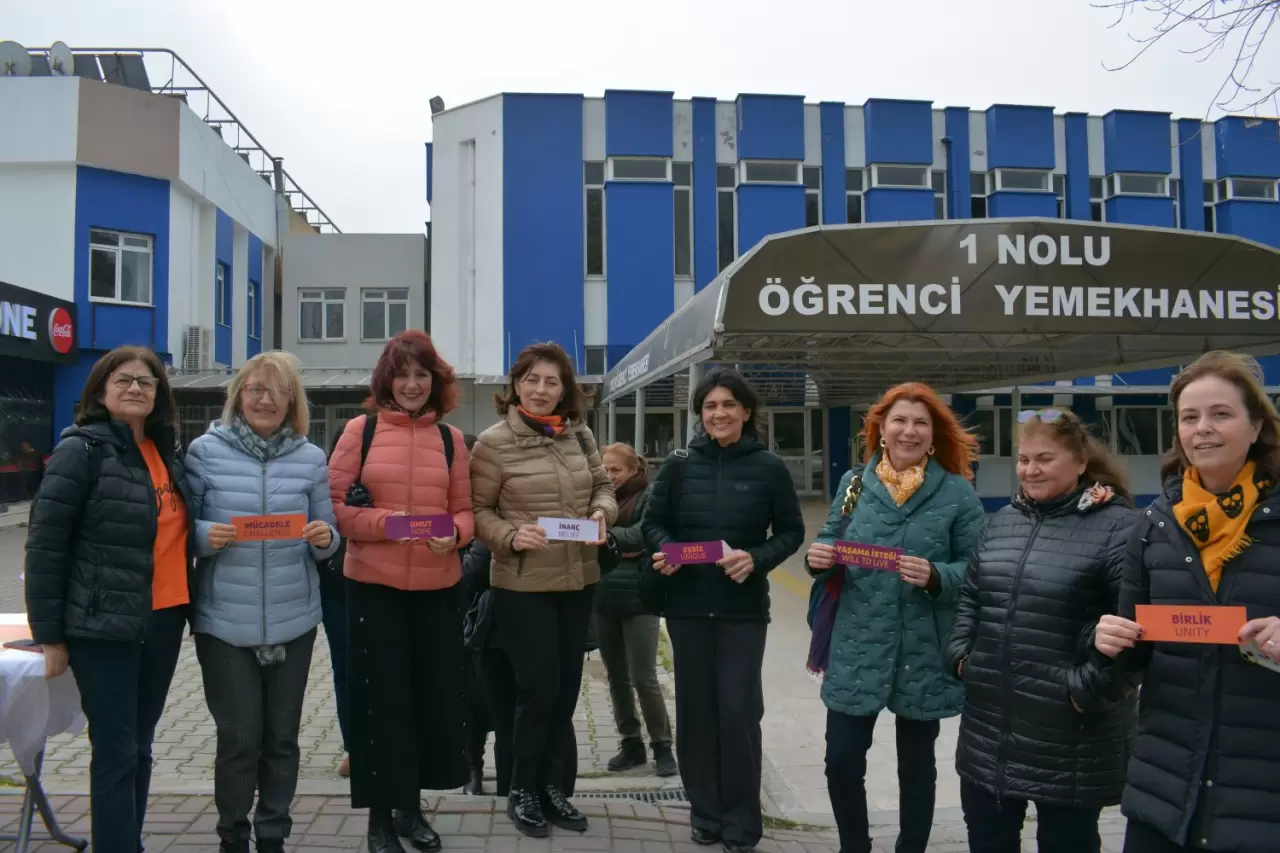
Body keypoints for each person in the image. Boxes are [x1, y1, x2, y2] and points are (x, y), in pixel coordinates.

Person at [1094, 351, 1280, 853]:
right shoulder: (1154, 526)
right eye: (1189, 417)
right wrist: (1108, 643)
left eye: (1221, 414)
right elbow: (1134, 658)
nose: (1203, 429)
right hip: (1166, 793)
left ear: (1257, 424)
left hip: (1261, 804)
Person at [946, 408, 1140, 853]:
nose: (1030, 470)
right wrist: (960, 658)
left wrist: (1083, 691)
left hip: (1070, 740)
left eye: (1044, 459)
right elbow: (970, 600)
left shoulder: (1120, 529)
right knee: (988, 839)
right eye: (1023, 459)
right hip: (990, 733)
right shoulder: (1000, 524)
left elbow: (1135, 633)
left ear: (1079, 462)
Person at [805, 382, 984, 853]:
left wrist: (936, 575)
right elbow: (830, 536)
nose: (909, 431)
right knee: (841, 759)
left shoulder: (957, 493)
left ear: (933, 433)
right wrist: (817, 558)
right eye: (899, 421)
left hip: (921, 646)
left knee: (916, 766)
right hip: (857, 641)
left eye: (921, 423)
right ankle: (854, 846)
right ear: (881, 429)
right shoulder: (854, 485)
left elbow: (977, 570)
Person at [25, 346, 191, 853]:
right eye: (123, 380)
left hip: (164, 619)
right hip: (103, 626)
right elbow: (46, 545)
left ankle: (128, 842)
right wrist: (49, 635)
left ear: (159, 394)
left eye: (147, 381)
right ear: (100, 389)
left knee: (139, 747)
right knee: (117, 748)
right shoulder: (82, 450)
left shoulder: (166, 452)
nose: (136, 388)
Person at [643, 367, 805, 853]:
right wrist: (667, 551)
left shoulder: (770, 468)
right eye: (709, 406)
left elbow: (792, 533)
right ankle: (706, 813)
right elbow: (654, 523)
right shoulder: (677, 464)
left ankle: (742, 820)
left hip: (742, 610)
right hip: (688, 607)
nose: (718, 414)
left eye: (727, 405)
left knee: (737, 712)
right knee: (696, 714)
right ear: (700, 414)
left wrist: (756, 559)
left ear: (746, 412)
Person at [185, 351, 340, 853]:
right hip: (224, 622)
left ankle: (272, 835)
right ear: (238, 396)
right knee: (239, 739)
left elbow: (330, 536)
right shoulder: (204, 452)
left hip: (294, 621)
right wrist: (206, 535)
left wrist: (323, 539)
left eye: (276, 391)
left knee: (281, 741)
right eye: (254, 389)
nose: (264, 399)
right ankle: (233, 837)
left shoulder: (311, 458)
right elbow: (178, 531)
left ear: (291, 400)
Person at [328, 330, 473, 853]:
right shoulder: (358, 432)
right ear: (386, 381)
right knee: (379, 704)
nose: (412, 385)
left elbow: (464, 511)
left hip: (438, 589)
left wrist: (455, 536)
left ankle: (411, 811)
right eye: (403, 375)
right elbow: (337, 509)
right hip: (374, 589)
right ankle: (379, 820)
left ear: (436, 382)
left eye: (421, 375)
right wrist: (390, 524)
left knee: (427, 701)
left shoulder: (452, 441)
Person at [470, 341, 616, 838]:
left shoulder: (579, 435)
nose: (541, 389)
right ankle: (522, 789)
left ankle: (556, 788)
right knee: (537, 690)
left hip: (577, 581)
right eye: (532, 379)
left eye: (552, 381)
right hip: (522, 584)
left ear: (565, 390)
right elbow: (478, 512)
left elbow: (603, 487)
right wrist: (511, 536)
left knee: (565, 692)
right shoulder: (492, 443)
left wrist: (602, 513)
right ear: (515, 385)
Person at [596, 442, 676, 776]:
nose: (609, 476)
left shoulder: (648, 496)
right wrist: (616, 542)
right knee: (616, 677)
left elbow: (643, 536)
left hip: (641, 597)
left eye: (615, 470)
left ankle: (662, 746)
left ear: (634, 470)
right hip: (602, 597)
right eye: (604, 469)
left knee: (644, 677)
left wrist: (605, 538)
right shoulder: (597, 499)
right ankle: (631, 743)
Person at [321, 430, 351, 779]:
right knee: (346, 671)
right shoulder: (325, 479)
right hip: (338, 583)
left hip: (385, 582)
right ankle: (354, 746)